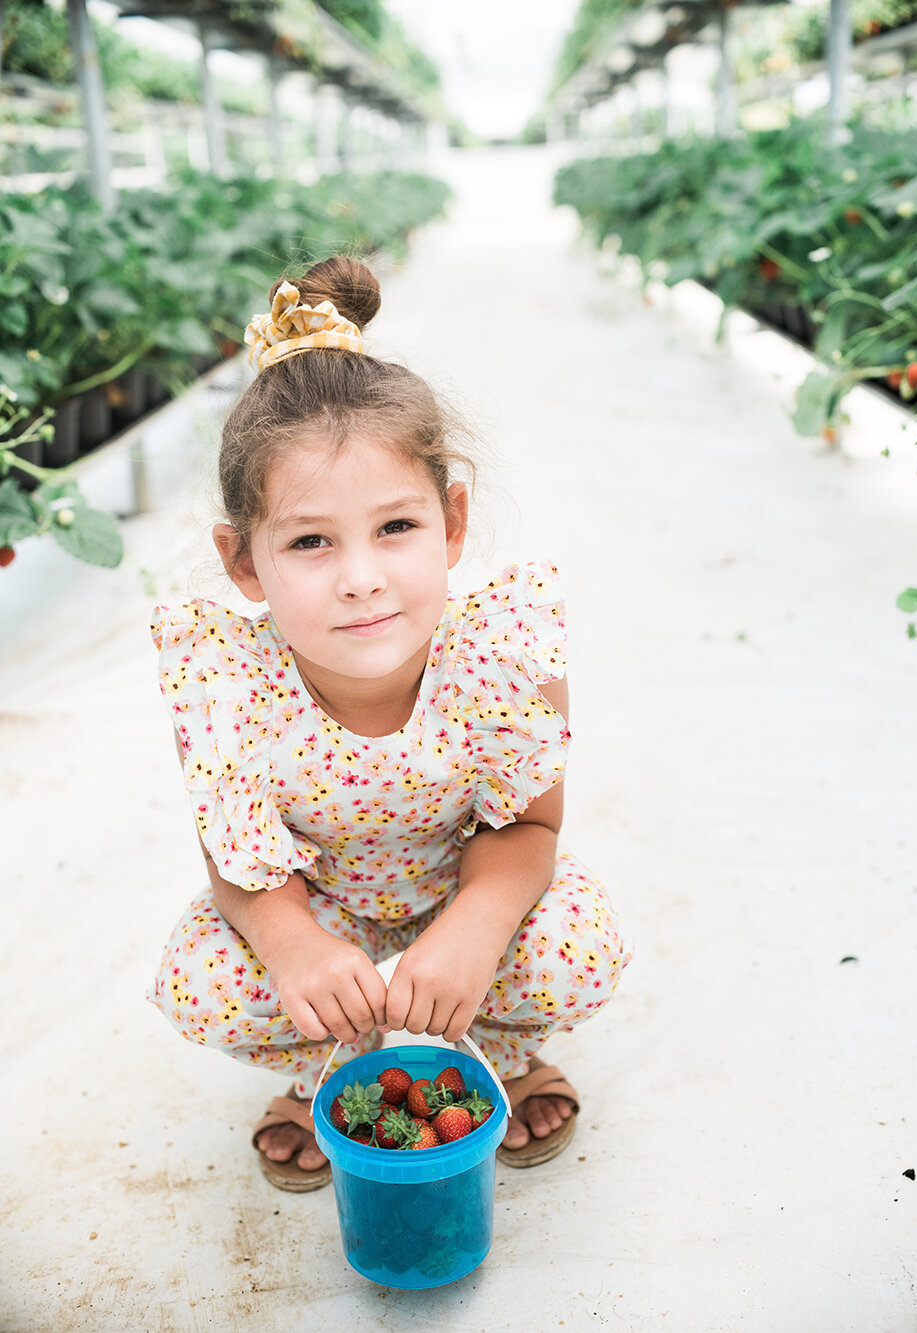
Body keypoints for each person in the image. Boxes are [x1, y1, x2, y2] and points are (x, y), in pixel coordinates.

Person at [147, 256, 631, 1190]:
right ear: (244, 561)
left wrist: (478, 924)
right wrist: (293, 945)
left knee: (579, 935)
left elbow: (529, 825)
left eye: (396, 528)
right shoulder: (230, 680)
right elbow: (235, 854)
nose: (361, 576)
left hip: (463, 890)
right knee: (201, 974)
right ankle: (324, 1059)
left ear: (452, 522)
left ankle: (498, 1042)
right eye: (310, 540)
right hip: (316, 904)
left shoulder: (501, 652)